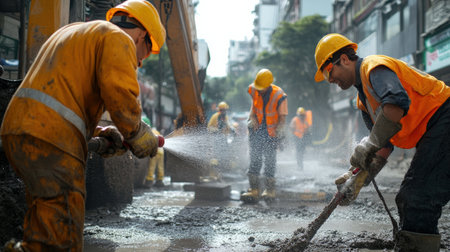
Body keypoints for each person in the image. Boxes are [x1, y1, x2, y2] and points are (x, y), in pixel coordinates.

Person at [0, 0, 166, 251]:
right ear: (142, 35)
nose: (140, 62)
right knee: (64, 231)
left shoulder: (76, 31)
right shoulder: (118, 38)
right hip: (51, 136)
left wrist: (101, 134)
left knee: (46, 220)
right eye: (145, 54)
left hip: (19, 129)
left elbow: (65, 98)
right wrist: (137, 134)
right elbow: (120, 95)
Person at [314, 33, 450, 251]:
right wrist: (357, 180)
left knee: (417, 198)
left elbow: (397, 102)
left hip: (444, 118)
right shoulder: (363, 101)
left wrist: (369, 144)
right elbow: (383, 147)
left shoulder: (374, 67)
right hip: (435, 132)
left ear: (345, 59)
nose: (330, 80)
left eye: (329, 71)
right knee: (409, 198)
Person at [241, 69, 288, 203]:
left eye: (262, 88)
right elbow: (253, 107)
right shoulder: (254, 89)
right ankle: (254, 189)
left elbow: (282, 119)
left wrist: (280, 133)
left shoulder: (279, 95)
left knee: (270, 161)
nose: (260, 90)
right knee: (255, 159)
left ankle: (269, 190)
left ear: (269, 85)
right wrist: (252, 118)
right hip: (256, 131)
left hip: (271, 134)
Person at [207, 101, 233, 169]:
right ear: (219, 110)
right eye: (222, 110)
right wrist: (216, 131)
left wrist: (232, 131)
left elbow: (227, 127)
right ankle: (217, 167)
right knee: (217, 152)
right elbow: (209, 127)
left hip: (224, 137)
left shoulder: (225, 117)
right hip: (216, 138)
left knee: (225, 151)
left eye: (225, 110)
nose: (224, 111)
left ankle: (224, 165)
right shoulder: (215, 116)